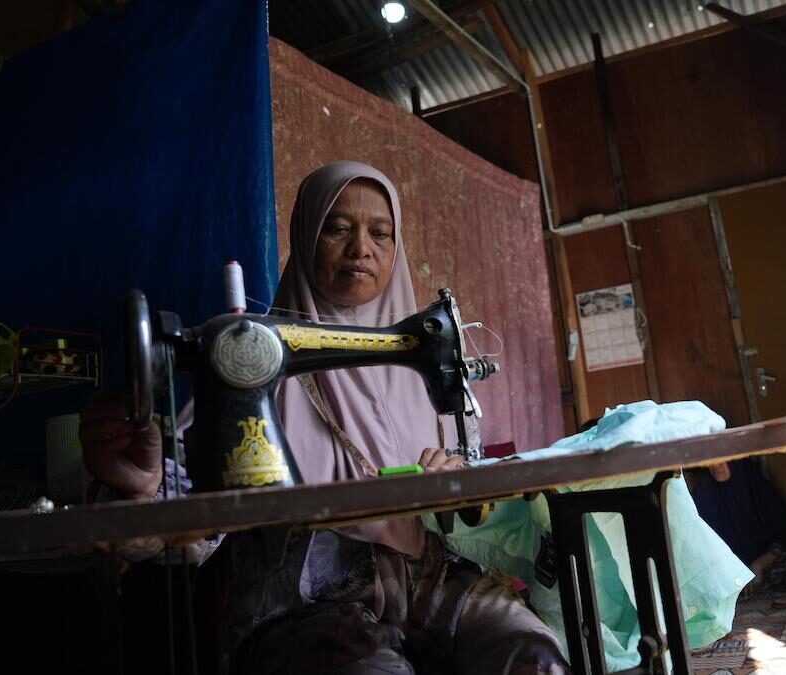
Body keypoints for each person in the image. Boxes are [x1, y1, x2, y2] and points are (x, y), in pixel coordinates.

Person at [80, 161, 569, 674]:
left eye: (380, 233)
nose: (361, 249)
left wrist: (454, 487)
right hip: (304, 596)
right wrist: (142, 493)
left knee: (534, 658)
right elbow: (180, 536)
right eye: (337, 228)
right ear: (306, 237)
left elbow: (469, 495)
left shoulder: (424, 354)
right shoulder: (251, 364)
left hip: (432, 576)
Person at [690, 458, 786, 593]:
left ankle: (751, 588)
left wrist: (758, 565)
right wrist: (736, 572)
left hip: (766, 566)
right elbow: (702, 547)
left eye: (723, 460)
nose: (716, 466)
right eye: (711, 462)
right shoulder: (704, 495)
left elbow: (784, 535)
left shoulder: (757, 487)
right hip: (728, 572)